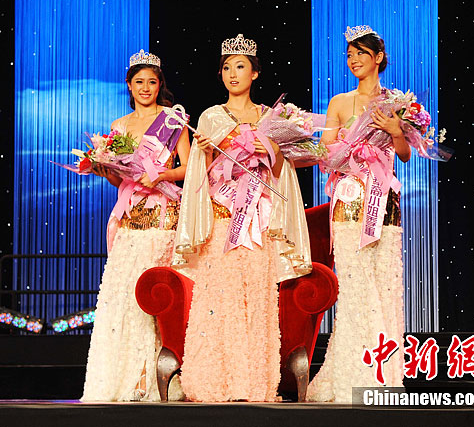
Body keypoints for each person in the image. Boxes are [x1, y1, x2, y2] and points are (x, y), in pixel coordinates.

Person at [171, 34, 312, 402]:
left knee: (256, 303)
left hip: (258, 225)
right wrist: (206, 150)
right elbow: (201, 173)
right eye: (227, 68)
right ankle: (214, 383)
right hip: (223, 223)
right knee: (221, 302)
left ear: (255, 73)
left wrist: (270, 148)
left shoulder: (271, 117)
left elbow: (281, 169)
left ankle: (252, 383)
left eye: (240, 66)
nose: (233, 74)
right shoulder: (210, 117)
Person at [306, 26, 410, 403]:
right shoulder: (338, 102)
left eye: (360, 53)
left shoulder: (397, 102)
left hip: (386, 203)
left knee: (385, 287)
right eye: (349, 54)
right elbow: (324, 154)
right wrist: (347, 150)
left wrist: (396, 130)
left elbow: (404, 154)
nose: (353, 60)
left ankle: (386, 376)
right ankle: (353, 372)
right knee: (356, 288)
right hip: (349, 199)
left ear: (378, 58)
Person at [81, 50, 190, 402]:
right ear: (129, 85)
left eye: (152, 82)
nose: (146, 88)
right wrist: (105, 168)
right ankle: (120, 377)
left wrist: (160, 173)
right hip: (131, 218)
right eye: (139, 82)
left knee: (158, 296)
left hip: (163, 219)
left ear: (160, 85)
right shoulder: (119, 126)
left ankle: (156, 378)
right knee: (125, 297)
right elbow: (120, 181)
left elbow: (188, 168)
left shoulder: (174, 120)